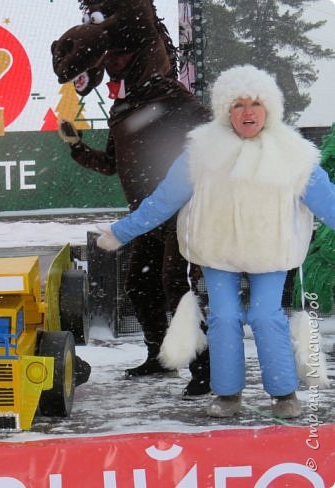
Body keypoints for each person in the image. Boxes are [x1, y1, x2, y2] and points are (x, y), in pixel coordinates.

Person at [96, 65, 335, 418]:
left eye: (256, 103)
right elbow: (163, 201)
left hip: (270, 253)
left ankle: (284, 393)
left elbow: (329, 204)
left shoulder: (294, 156)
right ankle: (227, 394)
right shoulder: (200, 153)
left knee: (266, 315)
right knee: (223, 316)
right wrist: (121, 232)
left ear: (270, 108)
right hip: (217, 251)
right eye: (238, 105)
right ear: (225, 110)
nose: (248, 112)